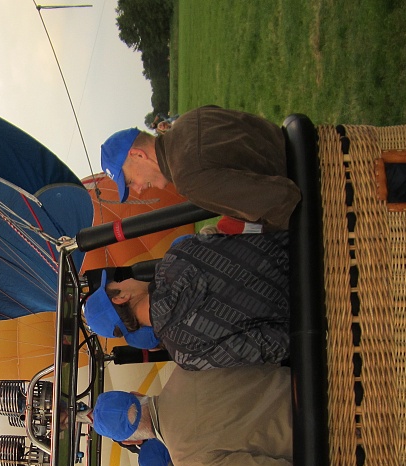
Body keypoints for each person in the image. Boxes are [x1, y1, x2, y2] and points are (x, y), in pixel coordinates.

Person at [83, 231, 289, 368]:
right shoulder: (177, 255)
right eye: (118, 282)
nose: (126, 278)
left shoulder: (186, 355)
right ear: (121, 298)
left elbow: (273, 346)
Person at [92, 365, 293, 466]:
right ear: (135, 393)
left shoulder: (187, 461)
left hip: (308, 438)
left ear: (130, 442)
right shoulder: (185, 367)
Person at [101, 105, 301, 231]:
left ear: (138, 155)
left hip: (307, 189)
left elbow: (283, 203)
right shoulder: (189, 119)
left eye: (130, 181)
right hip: (299, 148)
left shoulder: (187, 177)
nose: (138, 189)